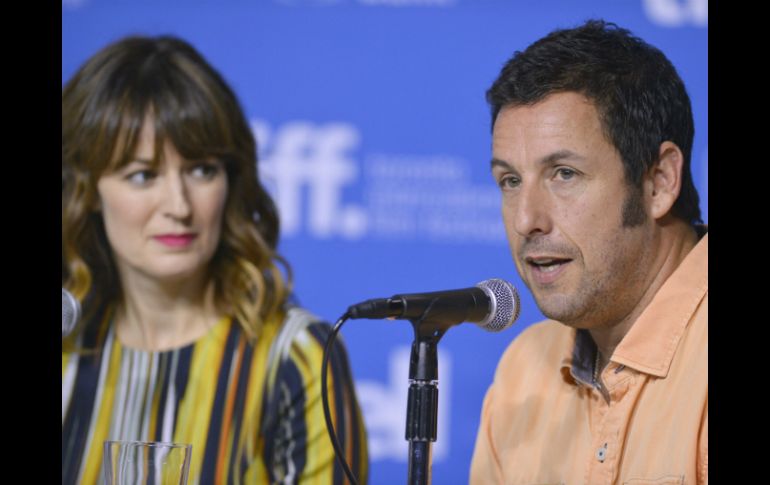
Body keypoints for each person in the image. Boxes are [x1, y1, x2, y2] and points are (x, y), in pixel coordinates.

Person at [62, 35, 368, 484]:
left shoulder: (294, 357)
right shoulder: (69, 346)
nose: (179, 205)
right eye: (143, 175)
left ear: (231, 179)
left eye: (201, 170)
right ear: (86, 191)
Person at [470, 20, 707, 484]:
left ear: (659, 182)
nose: (525, 220)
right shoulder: (523, 370)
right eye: (510, 181)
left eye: (563, 174)